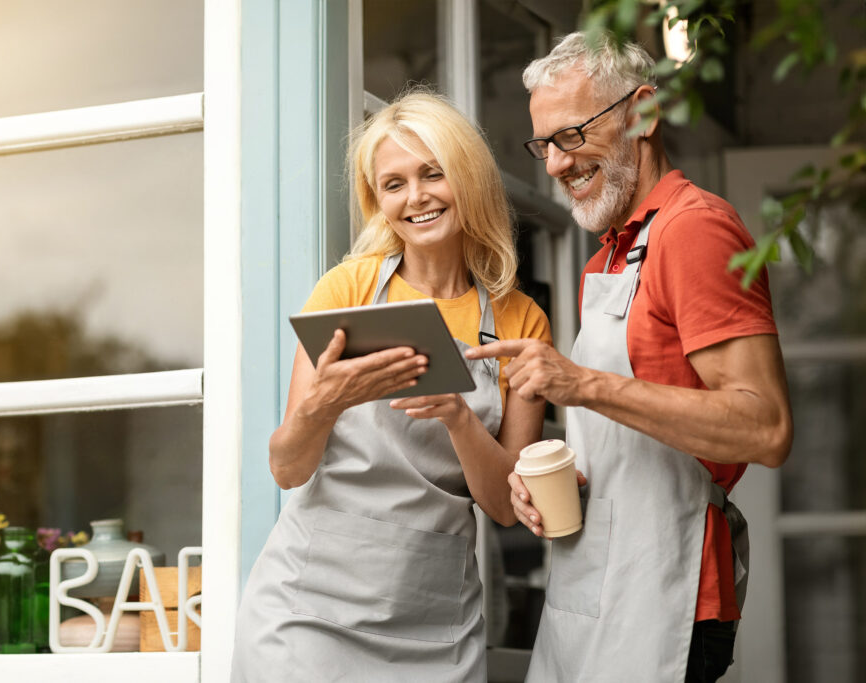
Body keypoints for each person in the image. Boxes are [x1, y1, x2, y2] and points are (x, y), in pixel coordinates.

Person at [466, 32, 793, 683]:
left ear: (641, 113)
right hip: (593, 587)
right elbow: (628, 435)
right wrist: (559, 484)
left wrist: (582, 382)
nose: (555, 164)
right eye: (543, 145)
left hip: (666, 594)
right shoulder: (609, 256)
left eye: (571, 136)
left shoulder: (693, 229)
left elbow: (765, 427)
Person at [230, 90, 552, 682]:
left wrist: (457, 414)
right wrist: (322, 404)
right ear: (378, 201)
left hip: (432, 619)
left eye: (433, 174)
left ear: (469, 179)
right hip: (309, 611)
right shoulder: (347, 291)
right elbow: (287, 469)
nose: (416, 198)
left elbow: (505, 507)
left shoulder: (519, 321)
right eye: (394, 184)